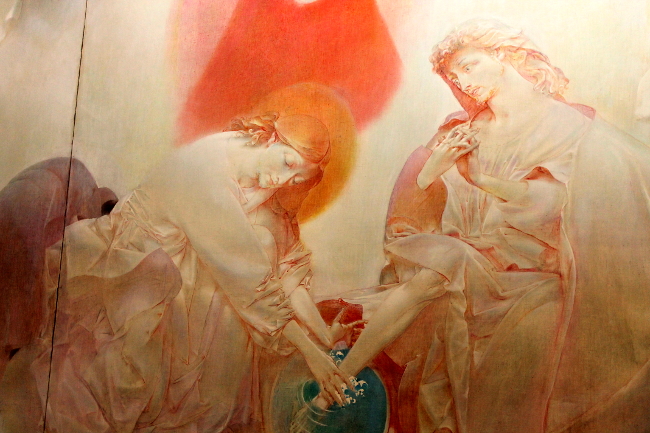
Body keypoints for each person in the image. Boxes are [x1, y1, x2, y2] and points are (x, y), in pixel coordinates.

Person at [309, 19, 650, 433]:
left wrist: (483, 180)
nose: (463, 82)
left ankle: (339, 379)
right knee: (445, 264)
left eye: (469, 66)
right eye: (454, 78)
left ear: (503, 55)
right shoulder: (465, 128)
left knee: (449, 267)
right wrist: (436, 166)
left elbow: (554, 202)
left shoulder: (567, 125)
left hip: (532, 265)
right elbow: (417, 199)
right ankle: (340, 378)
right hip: (477, 257)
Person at [1, 114, 359, 433]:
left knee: (250, 261)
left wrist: (323, 338)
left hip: (182, 267)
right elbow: (249, 281)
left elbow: (283, 263)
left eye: (297, 178)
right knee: (120, 380)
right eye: (288, 163)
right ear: (272, 137)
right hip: (137, 262)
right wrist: (311, 355)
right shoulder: (210, 173)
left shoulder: (263, 169)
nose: (285, 179)